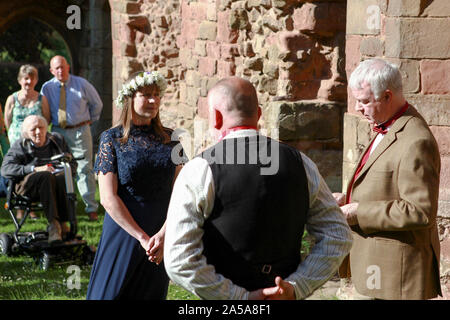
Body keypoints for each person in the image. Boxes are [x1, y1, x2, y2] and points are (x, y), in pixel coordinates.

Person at [163, 76, 353, 300]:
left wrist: (238, 298)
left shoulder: (199, 170)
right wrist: (296, 286)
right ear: (259, 113)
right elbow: (338, 235)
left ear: (215, 117)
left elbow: (179, 260)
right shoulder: (301, 163)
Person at [333, 58, 441, 300]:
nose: (358, 108)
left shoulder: (416, 140)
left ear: (387, 96)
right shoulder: (387, 125)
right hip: (379, 272)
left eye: (363, 101)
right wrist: (346, 199)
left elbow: (419, 211)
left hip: (397, 278)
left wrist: (357, 212)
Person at [86, 71, 186, 300]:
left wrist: (163, 234)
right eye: (146, 95)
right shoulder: (111, 139)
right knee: (110, 293)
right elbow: (107, 198)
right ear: (130, 98)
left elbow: (182, 192)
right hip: (123, 229)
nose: (153, 101)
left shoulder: (172, 139)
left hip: (160, 232)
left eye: (156, 95)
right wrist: (141, 237)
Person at [40, 55, 103, 221]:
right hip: (58, 131)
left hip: (80, 130)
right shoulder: (47, 88)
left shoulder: (81, 84)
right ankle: (67, 205)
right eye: (57, 68)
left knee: (84, 168)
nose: (60, 71)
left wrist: (90, 120)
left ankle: (91, 208)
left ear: (68, 67)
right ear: (52, 71)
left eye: (63, 67)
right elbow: (43, 108)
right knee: (61, 168)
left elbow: (97, 104)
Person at [0, 115, 77, 243]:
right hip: (26, 186)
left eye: (41, 128)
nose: (38, 132)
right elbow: (6, 169)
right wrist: (34, 169)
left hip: (54, 184)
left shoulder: (57, 140)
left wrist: (66, 169)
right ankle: (54, 225)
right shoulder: (21, 145)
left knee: (61, 177)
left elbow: (72, 162)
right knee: (45, 175)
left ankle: (65, 224)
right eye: (33, 129)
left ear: (46, 128)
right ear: (25, 132)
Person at [4, 64, 51, 145]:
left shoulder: (42, 99)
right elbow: (8, 122)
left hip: (36, 141)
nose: (29, 81)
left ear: (36, 80)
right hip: (16, 142)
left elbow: (47, 120)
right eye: (26, 78)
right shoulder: (12, 99)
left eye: (32, 78)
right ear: (19, 80)